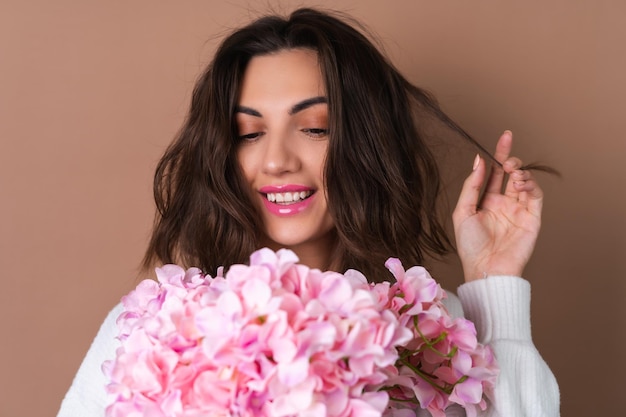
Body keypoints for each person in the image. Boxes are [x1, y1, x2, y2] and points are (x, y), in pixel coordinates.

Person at [57, 7, 559, 417]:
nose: (276, 160)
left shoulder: (431, 329)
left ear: (366, 145)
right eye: (248, 134)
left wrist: (496, 284)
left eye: (315, 127)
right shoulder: (154, 333)